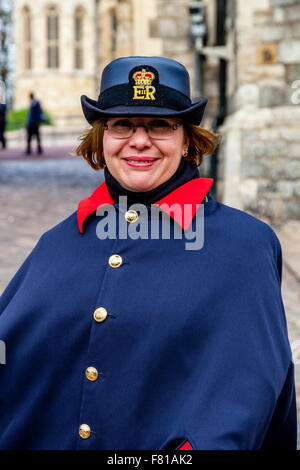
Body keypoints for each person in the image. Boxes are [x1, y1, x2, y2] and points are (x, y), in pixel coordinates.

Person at [0, 56, 297, 450]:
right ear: (102, 139)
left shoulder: (244, 245)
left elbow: (248, 392)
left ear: (187, 139)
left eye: (159, 125)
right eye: (122, 124)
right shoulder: (56, 242)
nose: (139, 140)